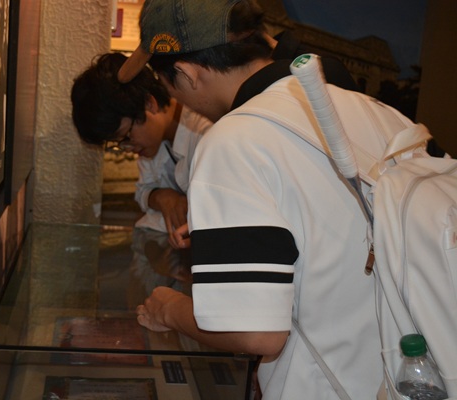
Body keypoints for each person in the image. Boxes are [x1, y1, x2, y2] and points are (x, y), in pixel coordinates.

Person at [118, 0, 390, 398]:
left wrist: (169, 309)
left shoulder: (233, 141)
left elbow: (255, 333)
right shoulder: (373, 109)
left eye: (166, 84)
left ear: (188, 74)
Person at [70, 52, 212, 245]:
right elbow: (143, 191)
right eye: (119, 143)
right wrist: (161, 197)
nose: (128, 148)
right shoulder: (151, 143)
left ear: (149, 103)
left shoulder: (206, 133)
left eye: (126, 136)